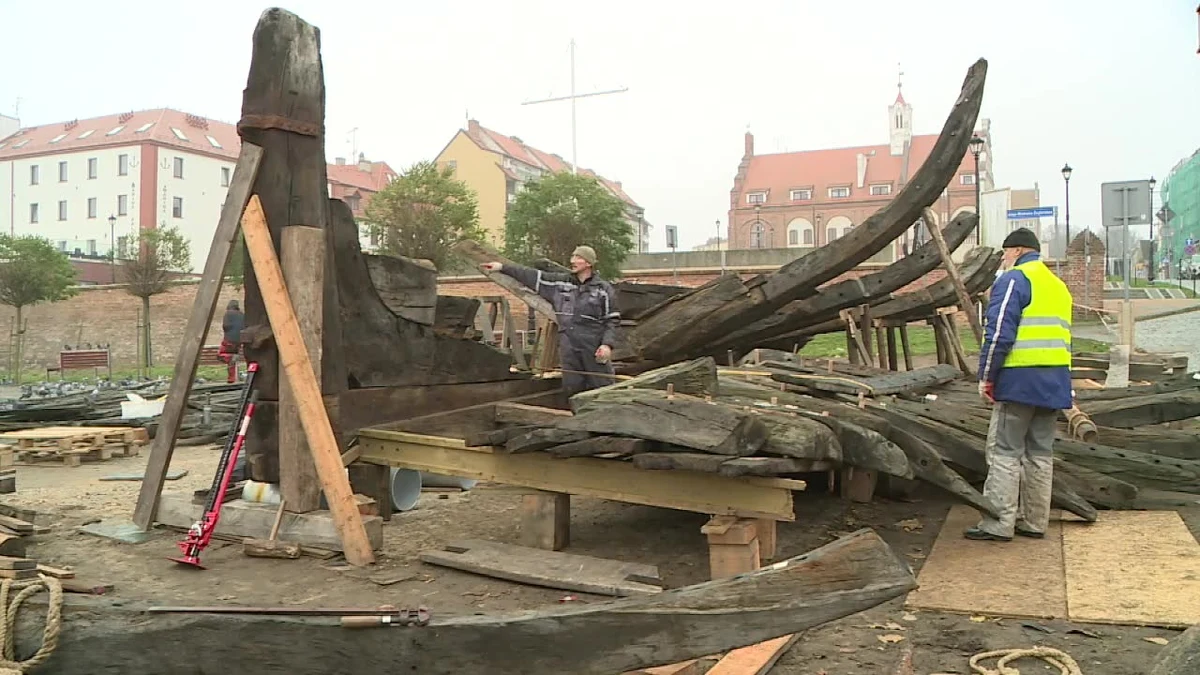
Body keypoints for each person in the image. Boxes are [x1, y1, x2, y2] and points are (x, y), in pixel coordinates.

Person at [966, 228, 1074, 542]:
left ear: (1016, 251)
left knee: (1004, 452)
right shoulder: (1058, 286)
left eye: (1005, 254)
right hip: (1054, 382)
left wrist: (987, 376)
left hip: (1018, 380)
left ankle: (999, 523)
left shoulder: (1014, 280)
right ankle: (1035, 521)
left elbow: (999, 332)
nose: (1004, 260)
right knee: (1040, 453)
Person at [482, 246, 620, 397]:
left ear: (589, 263)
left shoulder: (603, 290)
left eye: (578, 257)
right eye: (573, 257)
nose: (573, 261)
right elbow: (531, 275)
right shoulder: (559, 284)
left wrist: (606, 345)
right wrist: (502, 267)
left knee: (602, 387)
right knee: (572, 387)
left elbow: (612, 321)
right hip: (568, 345)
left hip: (593, 346)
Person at [219, 299, 244, 384]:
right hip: (239, 340)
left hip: (229, 339)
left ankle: (231, 359)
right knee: (232, 359)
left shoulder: (228, 313)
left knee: (220, 355)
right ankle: (231, 379)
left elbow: (225, 326)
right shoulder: (241, 314)